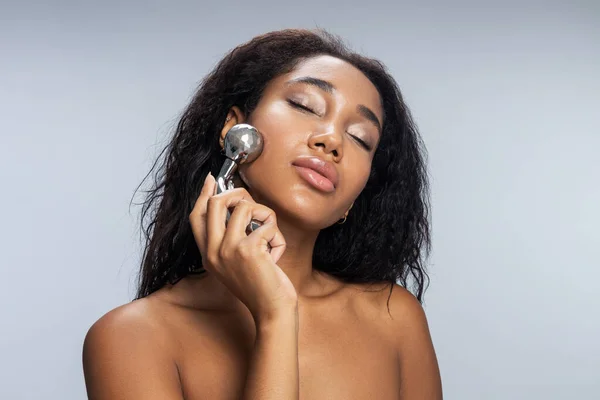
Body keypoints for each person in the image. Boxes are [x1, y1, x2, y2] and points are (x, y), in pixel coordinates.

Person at [82, 28, 442, 399]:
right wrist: (276, 316)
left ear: (354, 198)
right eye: (304, 105)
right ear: (234, 130)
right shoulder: (132, 338)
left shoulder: (393, 317)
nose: (331, 141)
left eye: (360, 138)